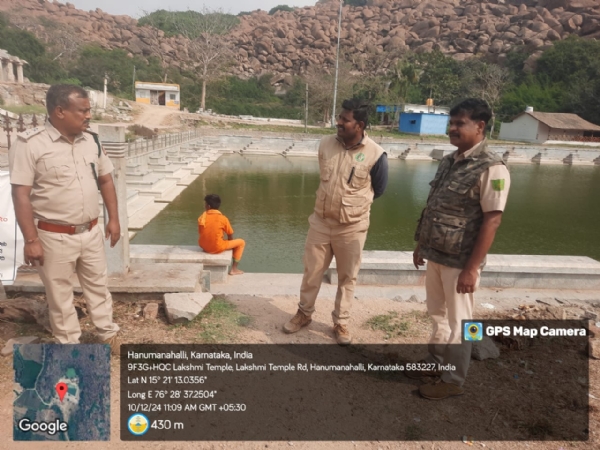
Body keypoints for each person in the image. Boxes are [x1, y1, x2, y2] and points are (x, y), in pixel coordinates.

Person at [409, 98, 511, 399]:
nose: (451, 129)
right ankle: (436, 362)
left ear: (479, 126)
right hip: (437, 253)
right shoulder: (449, 160)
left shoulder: (493, 169)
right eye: (450, 123)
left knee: (463, 324)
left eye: (459, 124)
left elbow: (492, 221)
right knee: (437, 314)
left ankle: (453, 380)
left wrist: (471, 268)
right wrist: (421, 245)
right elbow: (435, 207)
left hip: (461, 261)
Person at [8, 84, 121, 353]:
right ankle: (70, 346)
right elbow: (20, 195)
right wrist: (31, 239)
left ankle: (108, 335)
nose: (88, 116)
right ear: (60, 111)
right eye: (82, 111)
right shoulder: (30, 144)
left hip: (91, 232)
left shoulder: (91, 141)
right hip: (52, 235)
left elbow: (105, 180)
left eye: (89, 110)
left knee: (99, 287)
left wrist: (113, 219)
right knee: (59, 296)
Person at [283, 98, 388, 345]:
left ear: (359, 125)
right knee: (312, 272)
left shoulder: (376, 154)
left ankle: (341, 322)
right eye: (339, 117)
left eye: (344, 119)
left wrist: (352, 206)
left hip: (352, 227)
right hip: (320, 222)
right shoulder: (325, 144)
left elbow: (380, 189)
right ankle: (304, 314)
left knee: (347, 276)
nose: (338, 122)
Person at [198, 194, 245, 275]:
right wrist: (232, 247)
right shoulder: (223, 218)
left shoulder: (202, 217)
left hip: (204, 246)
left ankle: (233, 268)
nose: (205, 206)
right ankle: (234, 269)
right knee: (241, 242)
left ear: (208, 206)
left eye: (205, 204)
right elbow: (230, 234)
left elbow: (201, 233)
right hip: (217, 247)